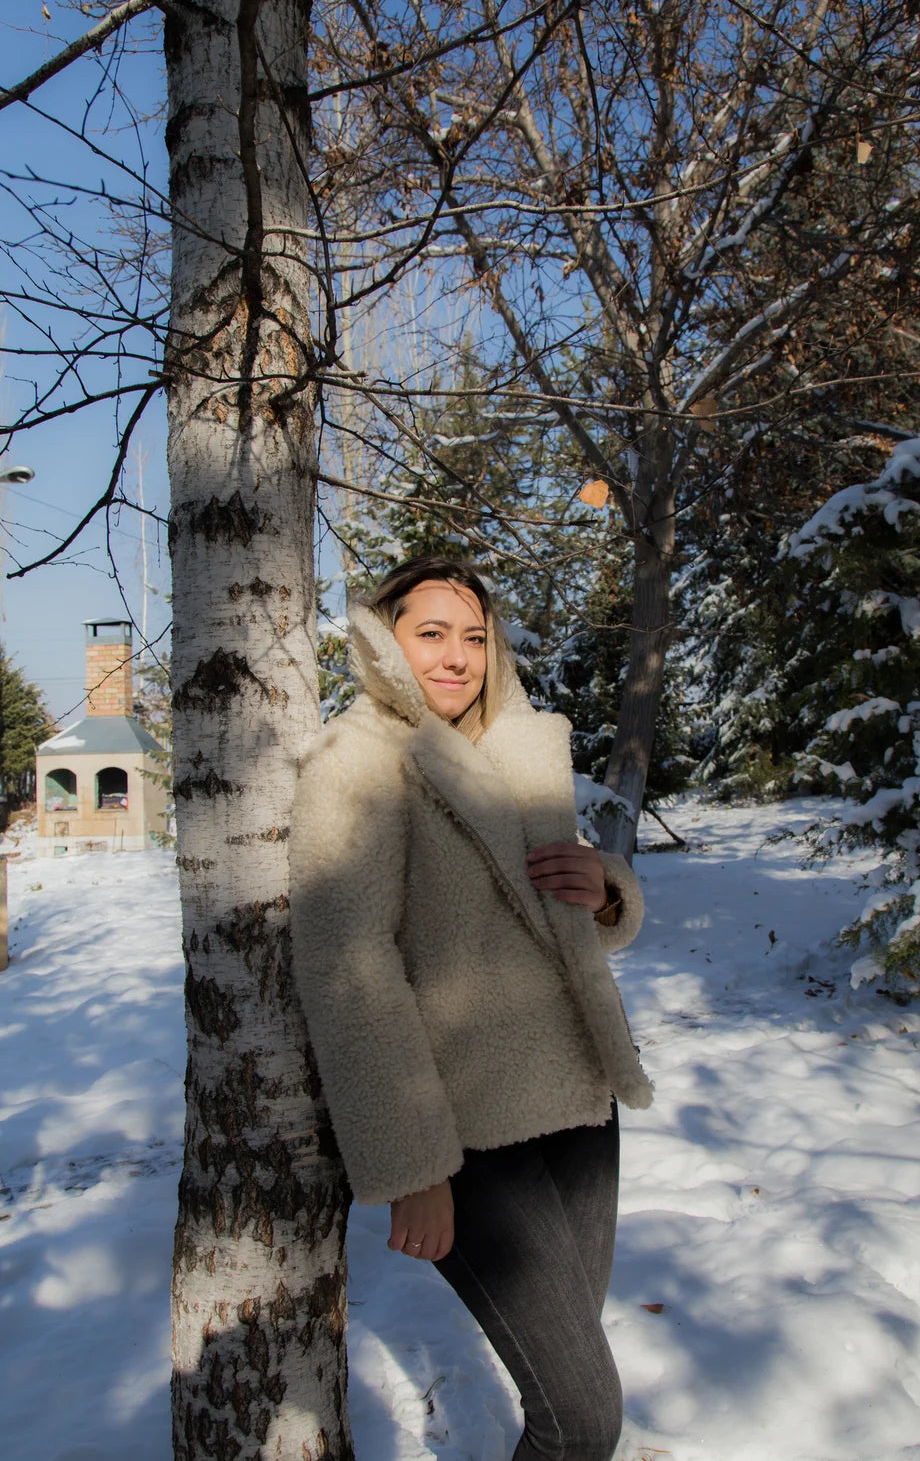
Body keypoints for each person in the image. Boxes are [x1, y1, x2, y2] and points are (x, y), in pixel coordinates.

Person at [290, 556, 653, 1461]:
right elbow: (349, 964)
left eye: (475, 637)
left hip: (576, 1105)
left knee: (572, 1387)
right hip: (469, 1132)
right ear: (384, 639)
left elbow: (547, 920)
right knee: (584, 1420)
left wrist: (604, 893)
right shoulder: (359, 761)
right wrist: (413, 1165)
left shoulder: (516, 751)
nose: (457, 657)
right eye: (431, 634)